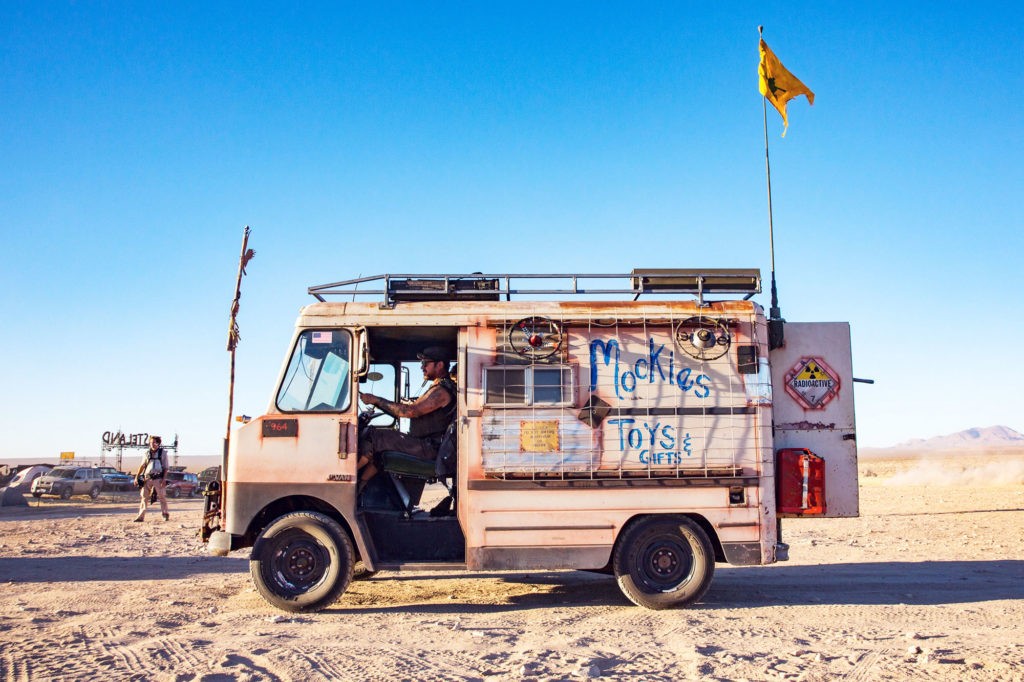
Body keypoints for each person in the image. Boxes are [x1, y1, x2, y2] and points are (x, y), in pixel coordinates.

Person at [357, 346, 456, 490]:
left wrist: (376, 400)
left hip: (430, 447)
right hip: (426, 445)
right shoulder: (439, 388)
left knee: (374, 437)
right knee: (379, 452)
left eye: (425, 363)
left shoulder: (441, 391)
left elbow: (411, 411)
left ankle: (346, 478)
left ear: (439, 365)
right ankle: (360, 486)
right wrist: (379, 404)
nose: (422, 367)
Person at [134, 435, 169, 522]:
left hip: (158, 478)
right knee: (144, 497)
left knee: (162, 497)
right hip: (147, 478)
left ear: (158, 443)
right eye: (150, 442)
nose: (152, 444)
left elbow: (166, 468)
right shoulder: (147, 453)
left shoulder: (163, 453)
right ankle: (140, 516)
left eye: (154, 442)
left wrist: (164, 479)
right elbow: (142, 466)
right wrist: (137, 477)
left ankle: (165, 514)